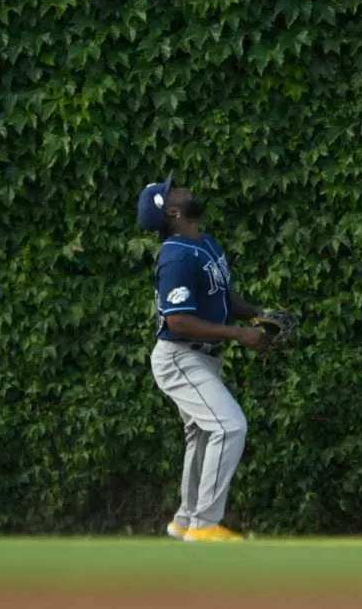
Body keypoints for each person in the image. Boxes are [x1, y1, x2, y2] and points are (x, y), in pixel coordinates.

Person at [136, 173, 273, 543]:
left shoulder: (204, 242)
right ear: (174, 212)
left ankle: (184, 521)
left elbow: (225, 300)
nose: (181, 189)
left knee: (200, 435)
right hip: (180, 357)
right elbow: (178, 319)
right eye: (173, 192)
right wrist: (239, 334)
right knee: (229, 427)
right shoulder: (175, 256)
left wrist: (260, 314)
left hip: (202, 358)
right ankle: (204, 524)